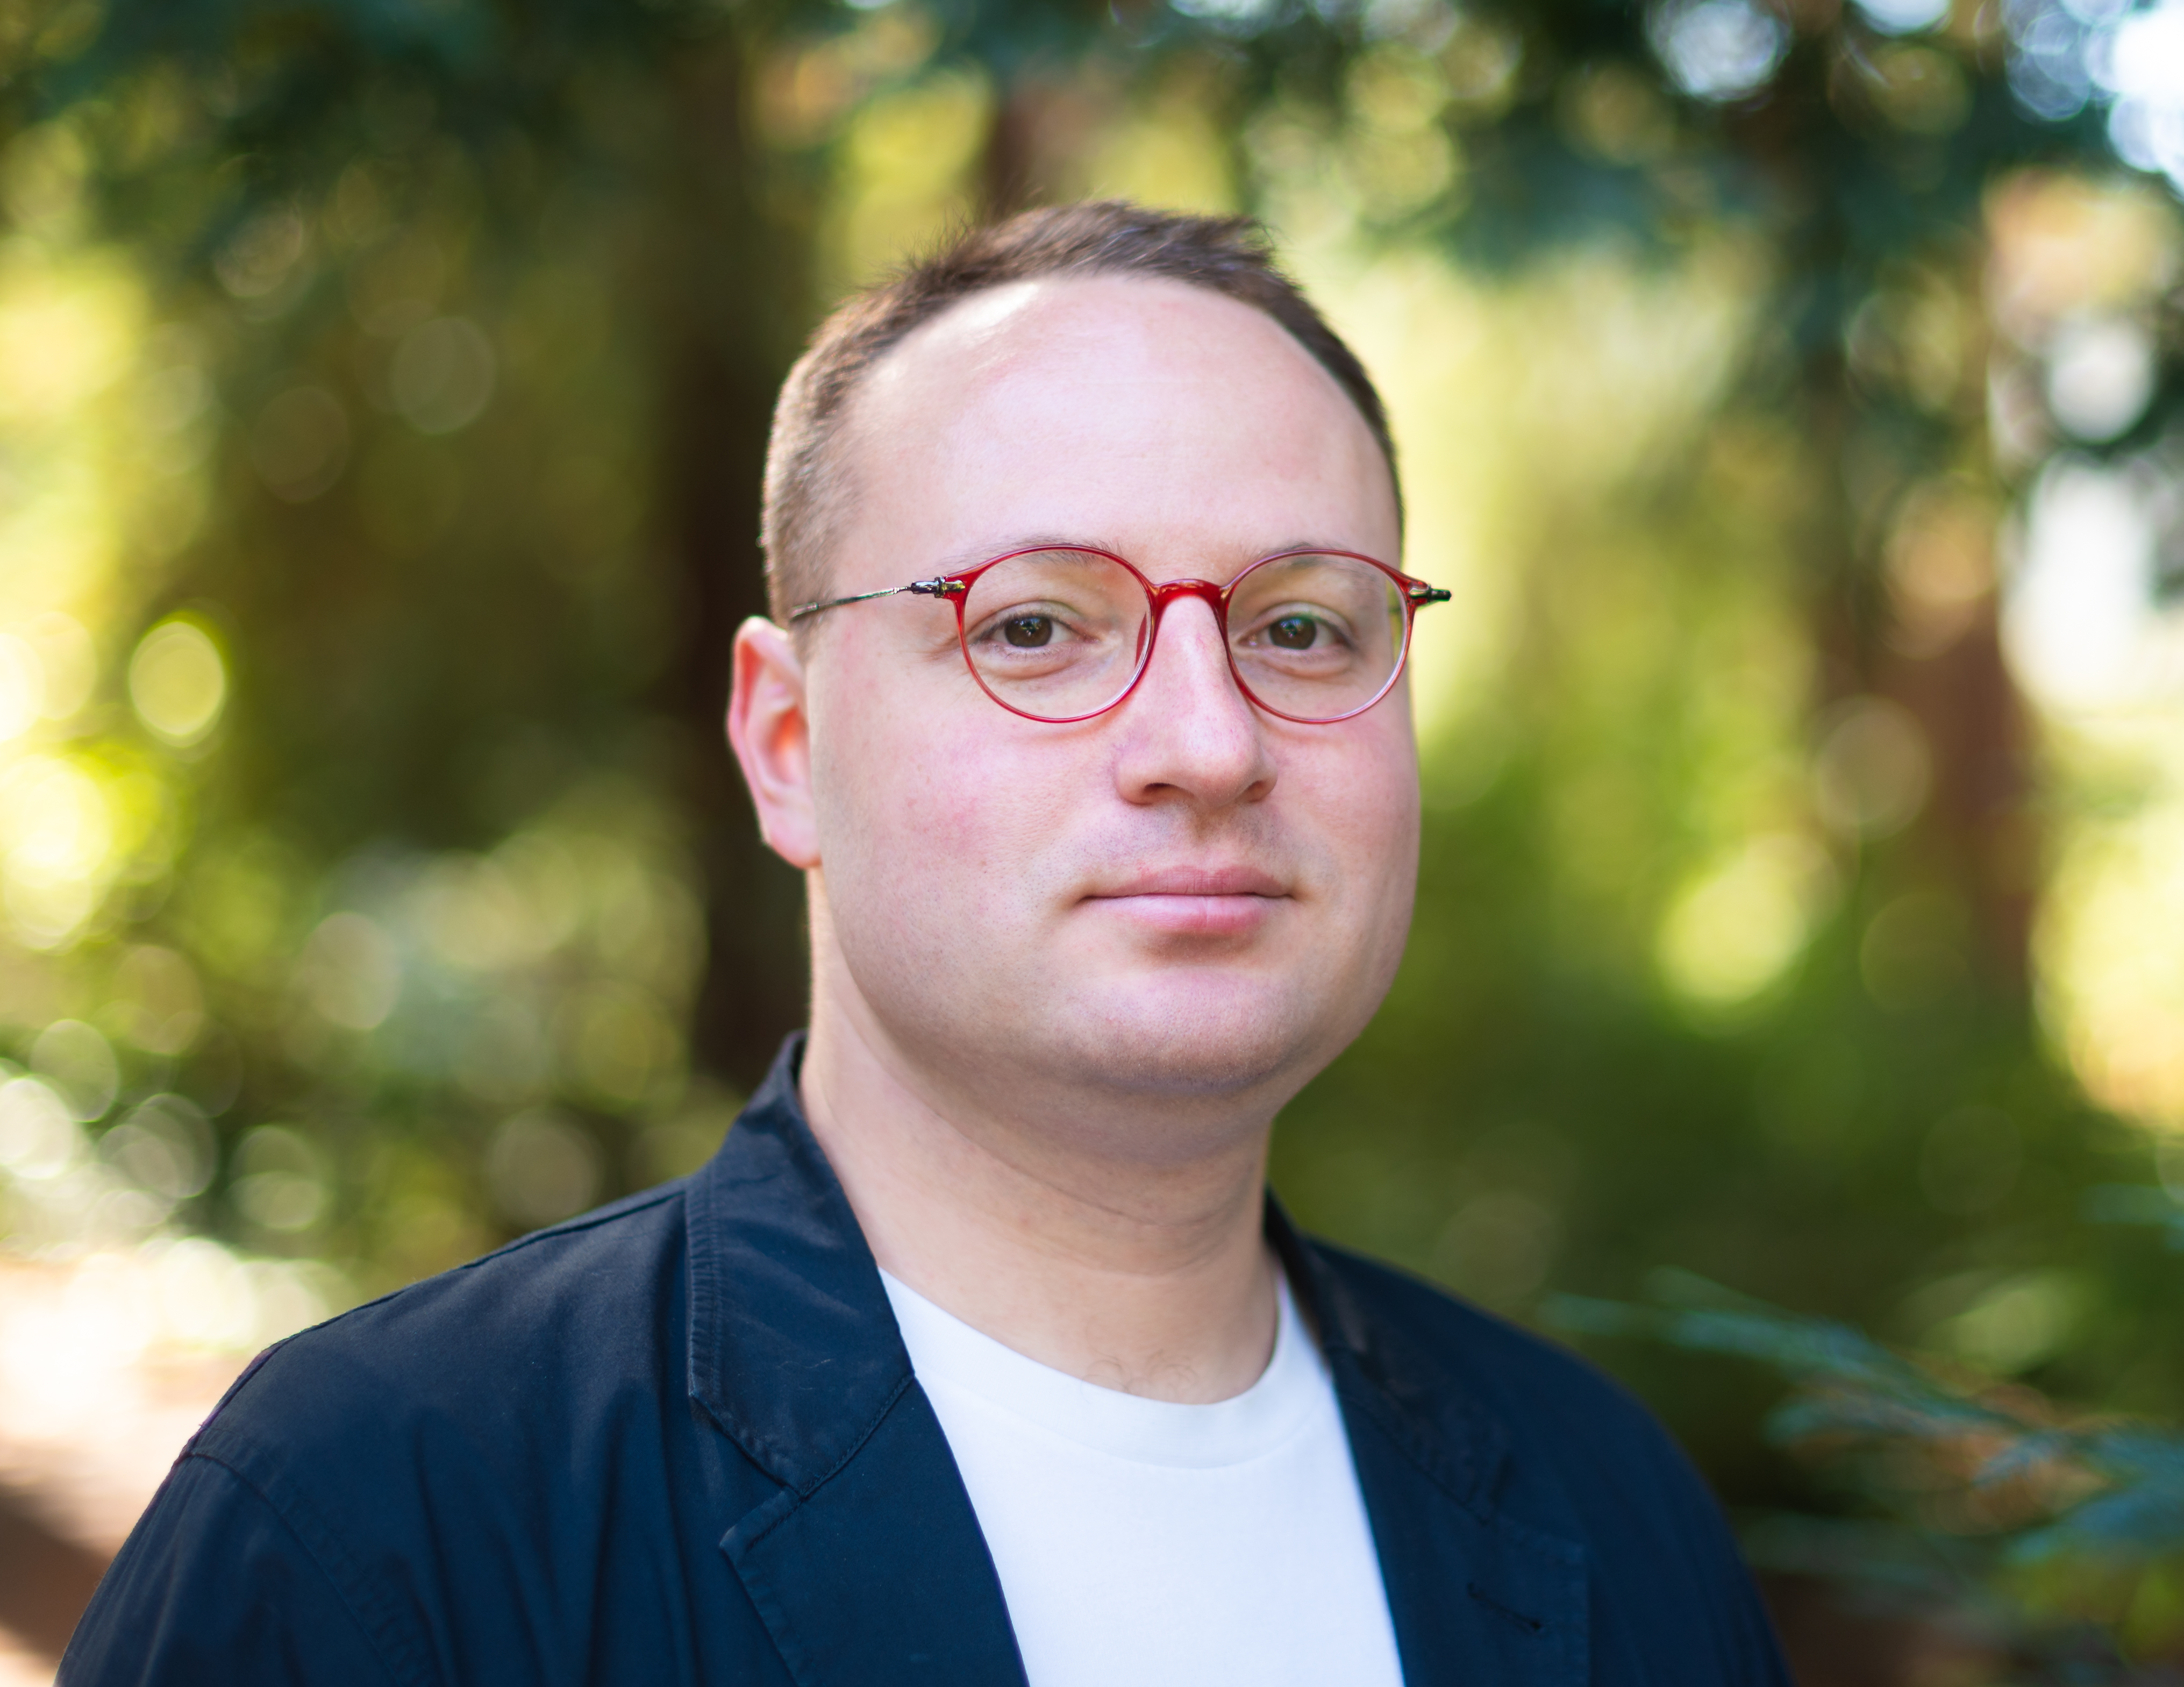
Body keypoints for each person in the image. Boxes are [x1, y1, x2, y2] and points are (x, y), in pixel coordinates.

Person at [62, 201, 1790, 1686]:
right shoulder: (387, 1517)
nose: (1208, 738)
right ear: (786, 742)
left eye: (1302, 625)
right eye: (1034, 623)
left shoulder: (1607, 1517)